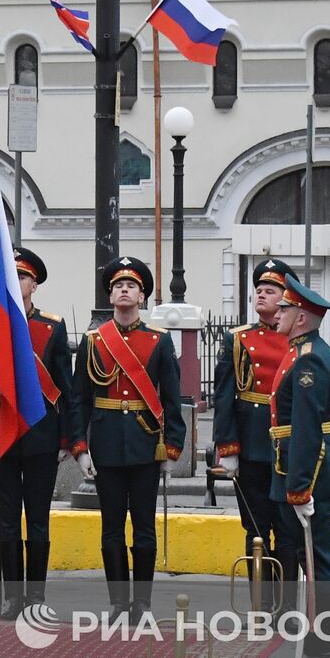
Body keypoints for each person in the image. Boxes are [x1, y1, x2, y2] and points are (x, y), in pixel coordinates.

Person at [70, 257, 186, 620]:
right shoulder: (93, 342)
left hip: (144, 444)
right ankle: (118, 602)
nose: (124, 290)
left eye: (132, 286)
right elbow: (80, 398)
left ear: (142, 296)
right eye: (118, 285)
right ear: (110, 293)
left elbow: (171, 398)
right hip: (105, 444)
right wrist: (80, 446)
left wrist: (172, 446)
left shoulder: (159, 342)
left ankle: (143, 602)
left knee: (144, 528)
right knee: (111, 529)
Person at [0, 248, 73, 619]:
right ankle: (13, 597)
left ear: (34, 285)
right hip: (0, 433)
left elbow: (65, 388)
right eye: (11, 277)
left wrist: (67, 440)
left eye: (23, 277)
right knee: (6, 519)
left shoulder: (52, 327)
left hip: (41, 435)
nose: (17, 283)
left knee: (37, 520)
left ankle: (36, 596)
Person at [265, 275, 330, 658]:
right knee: (312, 566)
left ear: (301, 316)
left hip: (305, 475)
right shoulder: (300, 351)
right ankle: (315, 655)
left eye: (284, 308)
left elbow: (309, 430)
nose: (276, 313)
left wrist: (300, 487)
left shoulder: (310, 358)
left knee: (318, 568)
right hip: (293, 470)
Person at [213, 259, 299, 614]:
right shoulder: (238, 339)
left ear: (285, 298)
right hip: (250, 445)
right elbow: (223, 398)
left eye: (271, 291)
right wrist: (227, 447)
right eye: (259, 290)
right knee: (257, 529)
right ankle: (261, 605)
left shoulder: (298, 339)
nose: (262, 295)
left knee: (288, 529)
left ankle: (287, 605)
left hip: (287, 445)